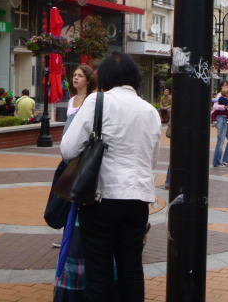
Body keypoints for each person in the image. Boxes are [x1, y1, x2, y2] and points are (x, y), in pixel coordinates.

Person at [61, 52, 161, 301]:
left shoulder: (97, 101)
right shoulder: (150, 110)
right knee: (131, 267)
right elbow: (152, 160)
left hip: (101, 197)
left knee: (99, 270)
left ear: (104, 77)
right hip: (138, 199)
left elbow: (68, 149)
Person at [53, 64, 97, 300]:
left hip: (81, 159)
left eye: (80, 75)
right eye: (74, 75)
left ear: (88, 79)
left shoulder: (92, 100)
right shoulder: (72, 100)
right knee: (63, 197)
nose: (76, 78)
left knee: (75, 200)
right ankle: (65, 233)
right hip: (68, 159)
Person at [212, 83, 228, 168]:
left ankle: (226, 160)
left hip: (225, 118)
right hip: (220, 118)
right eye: (226, 85)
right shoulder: (220, 95)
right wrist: (224, 107)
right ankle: (217, 162)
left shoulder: (227, 96)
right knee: (221, 141)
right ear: (222, 86)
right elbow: (215, 106)